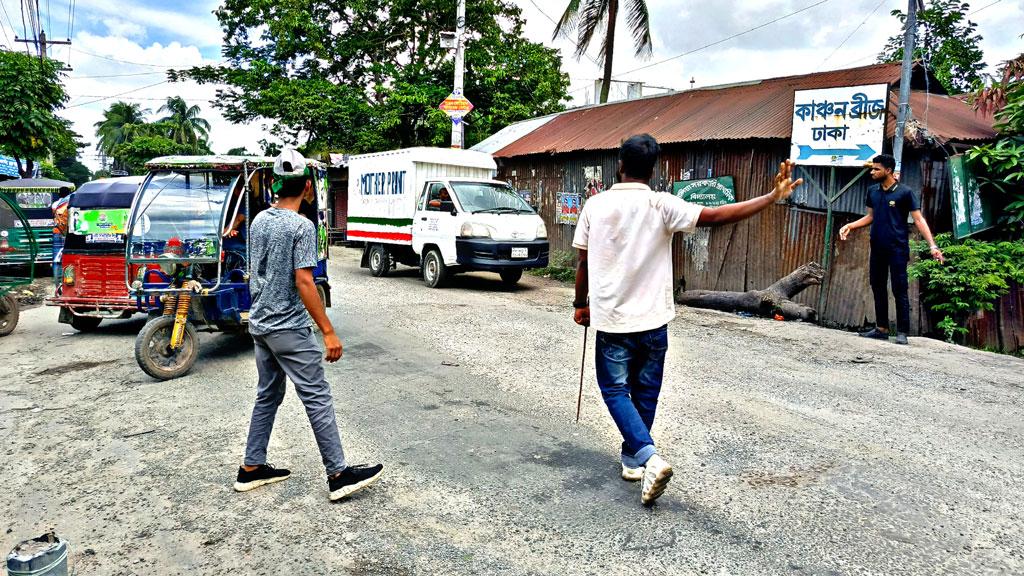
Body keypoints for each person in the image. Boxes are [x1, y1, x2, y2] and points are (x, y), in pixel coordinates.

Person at [572, 134, 803, 506]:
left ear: (620, 164)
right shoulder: (662, 204)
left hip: (613, 320)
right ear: (654, 167)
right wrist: (770, 198)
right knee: (645, 392)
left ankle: (647, 457)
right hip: (654, 321)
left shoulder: (595, 205)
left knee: (615, 390)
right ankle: (633, 460)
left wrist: (580, 303)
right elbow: (714, 216)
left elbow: (582, 261)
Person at [235, 148, 383, 501]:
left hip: (260, 324)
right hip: (287, 327)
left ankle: (251, 467)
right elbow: (304, 281)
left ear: (273, 184)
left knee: (268, 394)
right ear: (308, 188)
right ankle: (338, 474)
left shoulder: (258, 221)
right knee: (317, 396)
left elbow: (262, 272)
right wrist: (328, 331)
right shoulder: (302, 226)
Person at [839, 154, 944, 345]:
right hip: (877, 247)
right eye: (872, 168)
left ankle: (902, 332)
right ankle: (881, 328)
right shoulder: (872, 191)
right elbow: (870, 216)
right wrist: (851, 226)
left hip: (897, 248)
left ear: (888, 171)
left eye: (876, 169)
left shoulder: (904, 192)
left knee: (899, 288)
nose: (872, 172)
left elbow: (918, 219)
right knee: (877, 286)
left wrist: (932, 245)